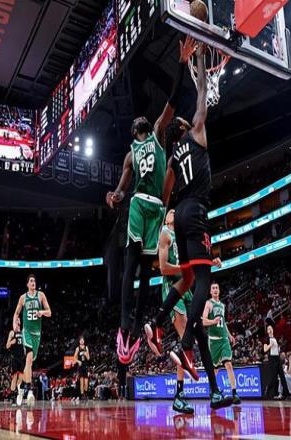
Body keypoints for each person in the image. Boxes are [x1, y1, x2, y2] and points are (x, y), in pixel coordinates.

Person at [143, 40, 231, 410]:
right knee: (203, 281)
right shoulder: (196, 132)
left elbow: (165, 197)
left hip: (178, 213)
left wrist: (161, 220)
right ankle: (184, 344)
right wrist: (201, 57)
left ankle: (157, 320)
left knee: (191, 278)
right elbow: (202, 96)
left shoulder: (173, 158)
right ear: (186, 128)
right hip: (195, 212)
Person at [106, 36, 197, 364]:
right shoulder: (136, 150)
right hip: (144, 204)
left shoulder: (155, 135)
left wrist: (181, 64)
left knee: (143, 269)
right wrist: (114, 196)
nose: (137, 122)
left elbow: (173, 98)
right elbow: (121, 189)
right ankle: (127, 326)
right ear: (137, 130)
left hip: (151, 206)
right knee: (135, 266)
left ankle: (132, 328)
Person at [148, 209, 194, 413]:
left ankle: (180, 393)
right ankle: (179, 395)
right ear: (166, 219)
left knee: (190, 337)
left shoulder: (181, 236)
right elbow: (164, 268)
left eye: (176, 211)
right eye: (170, 211)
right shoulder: (165, 234)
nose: (173, 211)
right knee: (184, 336)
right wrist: (184, 269)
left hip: (186, 287)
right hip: (172, 286)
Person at [13, 273, 52, 406]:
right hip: (27, 332)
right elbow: (16, 313)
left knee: (29, 364)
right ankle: (29, 391)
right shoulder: (23, 298)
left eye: (34, 281)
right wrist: (14, 323)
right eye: (31, 281)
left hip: (37, 334)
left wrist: (42, 312)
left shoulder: (41, 295)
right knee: (29, 358)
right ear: (27, 284)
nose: (33, 282)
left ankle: (21, 388)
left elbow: (49, 312)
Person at [202, 281, 241, 404]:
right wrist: (213, 322)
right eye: (213, 288)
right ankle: (213, 391)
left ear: (219, 291)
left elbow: (223, 322)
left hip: (224, 339)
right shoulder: (209, 303)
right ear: (210, 291)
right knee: (215, 370)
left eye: (217, 288)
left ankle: (234, 393)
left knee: (228, 364)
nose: (215, 290)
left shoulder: (223, 306)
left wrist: (229, 335)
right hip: (213, 341)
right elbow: (203, 321)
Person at [263, 324, 291, 400]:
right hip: (272, 359)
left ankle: (287, 394)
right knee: (274, 379)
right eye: (268, 329)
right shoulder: (267, 339)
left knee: (282, 376)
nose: (270, 330)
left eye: (271, 328)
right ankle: (268, 389)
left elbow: (277, 349)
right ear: (267, 331)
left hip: (277, 358)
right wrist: (270, 345)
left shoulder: (275, 338)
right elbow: (265, 349)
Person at [6, 325, 24, 406]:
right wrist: (11, 342)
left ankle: (18, 395)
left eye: (18, 320)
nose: (17, 322)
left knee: (21, 378)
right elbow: (7, 346)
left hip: (22, 358)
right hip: (15, 358)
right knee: (14, 377)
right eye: (16, 320)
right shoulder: (12, 332)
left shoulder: (23, 333)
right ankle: (13, 397)